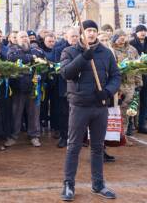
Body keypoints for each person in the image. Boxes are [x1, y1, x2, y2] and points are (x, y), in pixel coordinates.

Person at [60, 20, 121, 201]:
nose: (92, 34)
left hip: (100, 106)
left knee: (97, 147)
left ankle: (98, 184)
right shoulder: (69, 51)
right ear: (81, 33)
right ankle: (68, 184)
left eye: (94, 30)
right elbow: (66, 73)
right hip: (79, 106)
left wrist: (108, 91)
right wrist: (84, 57)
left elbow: (116, 76)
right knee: (73, 146)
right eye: (88, 30)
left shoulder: (106, 53)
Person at [6, 31, 41, 147]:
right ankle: (13, 136)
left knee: (34, 113)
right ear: (16, 39)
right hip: (18, 88)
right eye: (21, 37)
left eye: (26, 36)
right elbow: (12, 58)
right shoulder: (12, 50)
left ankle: (34, 136)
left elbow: (42, 60)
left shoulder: (36, 49)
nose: (24, 39)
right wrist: (31, 57)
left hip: (33, 87)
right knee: (16, 113)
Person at [112, 29, 142, 141]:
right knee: (118, 108)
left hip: (131, 84)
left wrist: (139, 82)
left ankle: (126, 129)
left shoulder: (132, 50)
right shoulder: (111, 50)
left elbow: (138, 66)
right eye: (120, 36)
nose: (122, 38)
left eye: (124, 36)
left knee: (129, 108)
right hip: (118, 84)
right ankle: (117, 132)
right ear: (115, 37)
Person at [54, 28, 79, 149]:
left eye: (76, 36)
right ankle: (64, 137)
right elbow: (57, 67)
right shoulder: (60, 50)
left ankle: (79, 138)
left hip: (79, 87)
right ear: (66, 37)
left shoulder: (83, 49)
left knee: (78, 114)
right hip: (65, 85)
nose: (75, 38)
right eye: (72, 36)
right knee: (64, 113)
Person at [129, 24, 147, 134]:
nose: (143, 33)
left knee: (145, 102)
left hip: (146, 76)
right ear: (136, 32)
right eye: (141, 31)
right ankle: (130, 125)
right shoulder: (131, 44)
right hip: (135, 76)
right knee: (133, 102)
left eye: (144, 30)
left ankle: (141, 125)